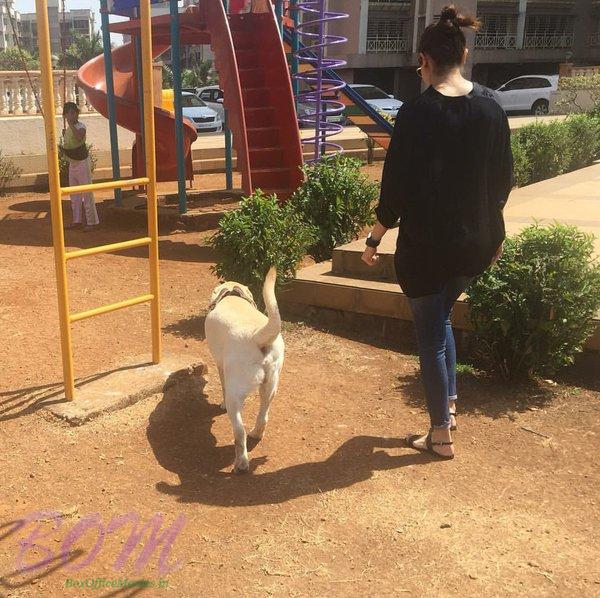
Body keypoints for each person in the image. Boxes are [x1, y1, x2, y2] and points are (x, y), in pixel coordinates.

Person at [361, 5, 513, 459]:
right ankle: (447, 402)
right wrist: (496, 234)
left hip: (427, 248)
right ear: (463, 54)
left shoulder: (416, 112)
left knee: (429, 335)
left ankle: (440, 435)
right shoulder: (490, 106)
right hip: (475, 246)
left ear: (424, 60)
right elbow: (502, 179)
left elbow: (396, 187)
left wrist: (374, 238)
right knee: (442, 316)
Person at [61, 102, 99, 231]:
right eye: (69, 113)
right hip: (73, 162)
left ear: (77, 113)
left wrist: (71, 125)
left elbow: (78, 137)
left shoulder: (81, 126)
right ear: (65, 115)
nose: (72, 115)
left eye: (74, 112)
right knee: (74, 194)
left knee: (87, 193)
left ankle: (92, 222)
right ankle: (76, 220)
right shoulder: (67, 130)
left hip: (82, 162)